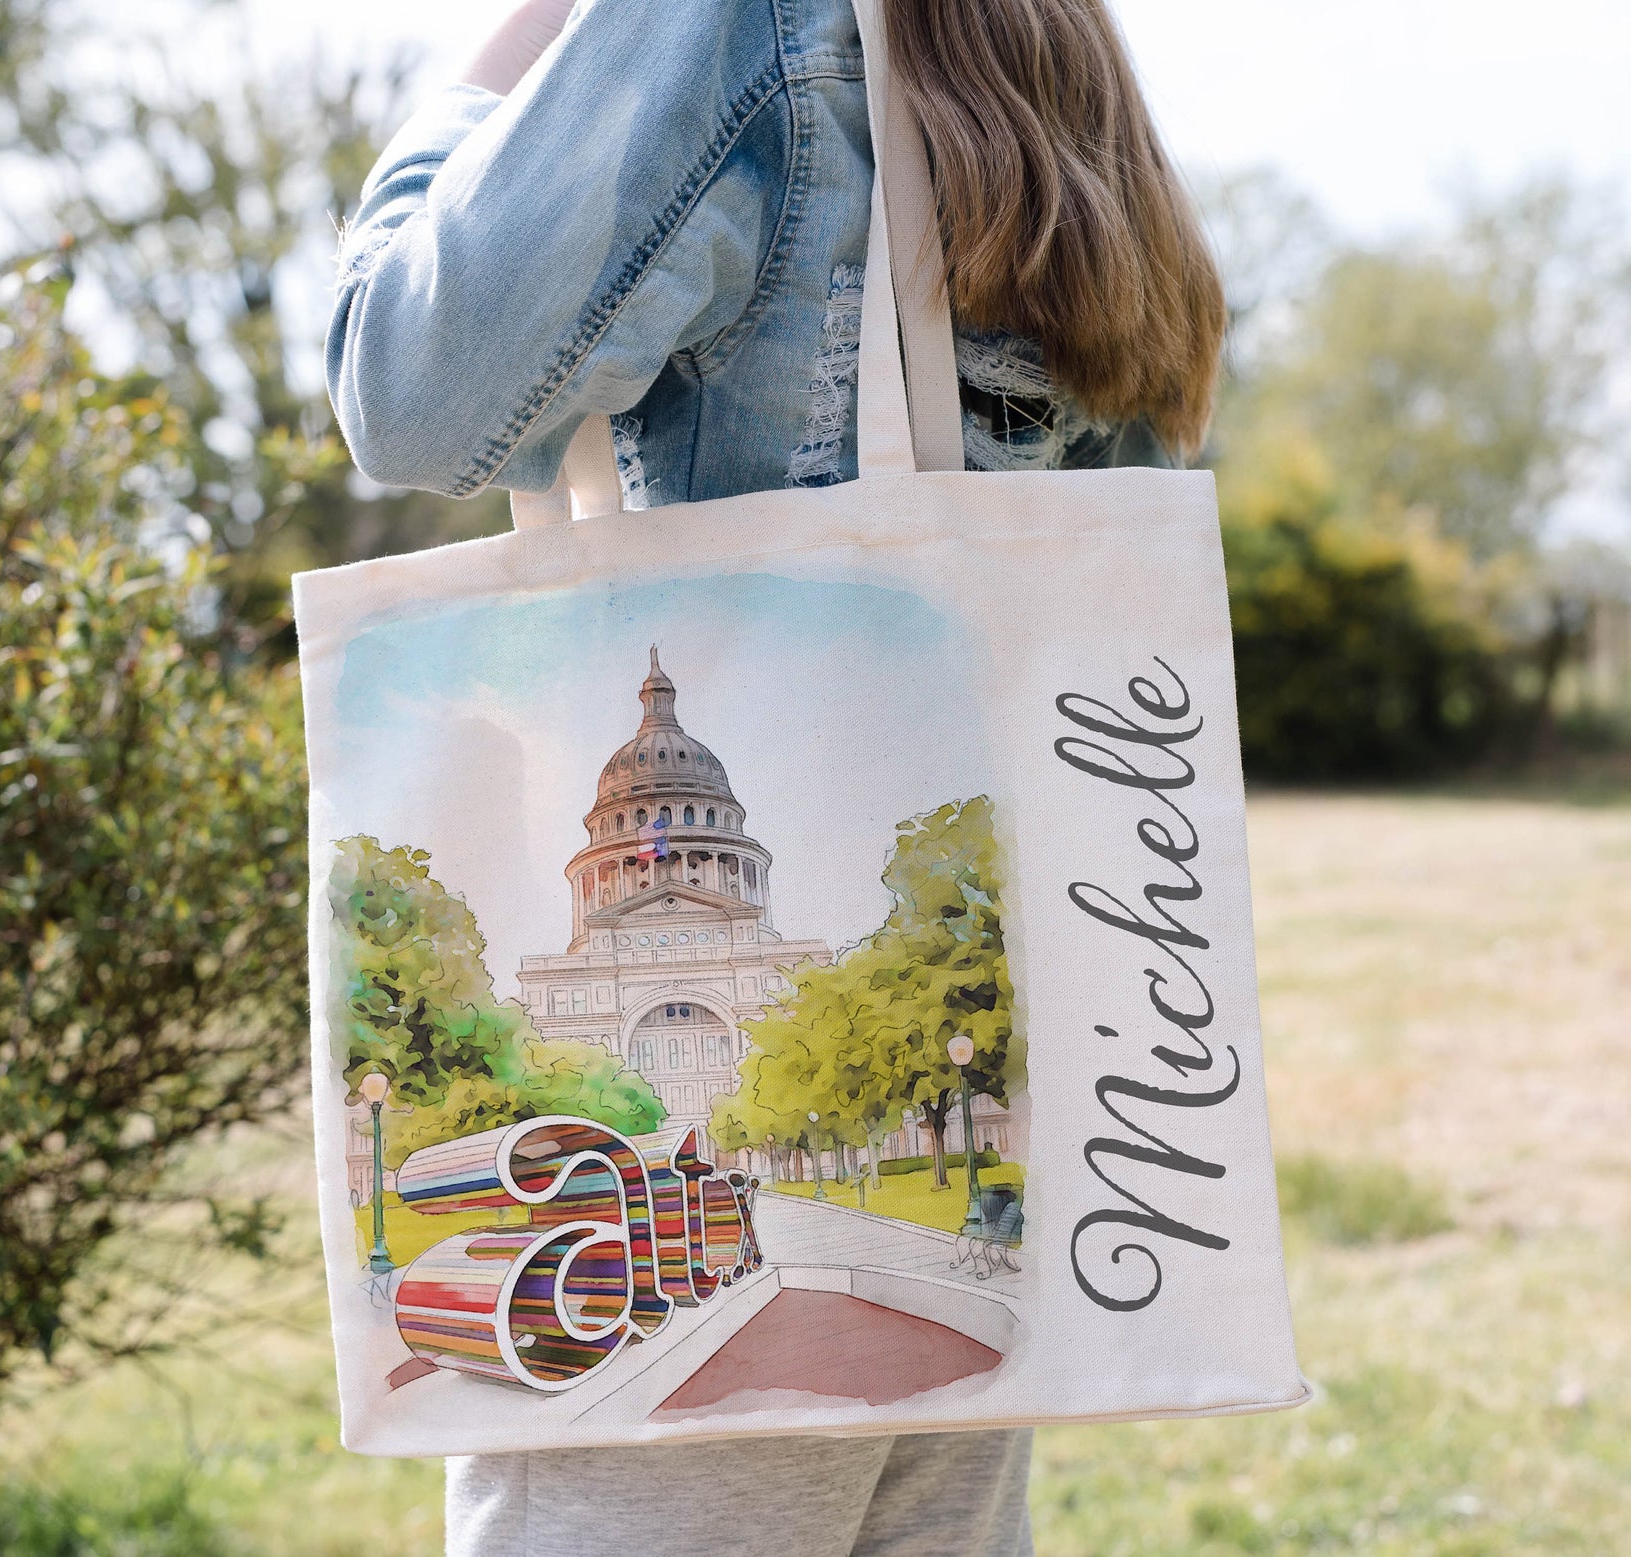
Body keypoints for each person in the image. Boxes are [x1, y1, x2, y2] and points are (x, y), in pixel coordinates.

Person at [325, 0, 1225, 1550]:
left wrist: (501, 49)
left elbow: (406, 380)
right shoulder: (1038, 40)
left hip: (671, 1406)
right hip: (1046, 1117)